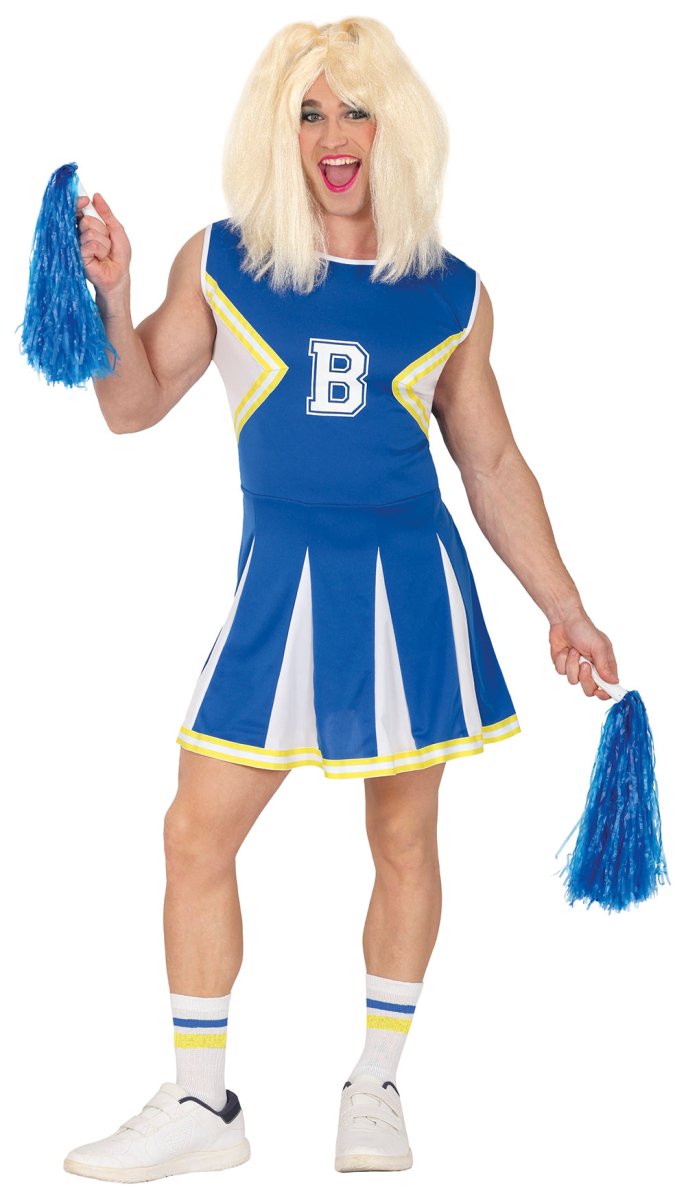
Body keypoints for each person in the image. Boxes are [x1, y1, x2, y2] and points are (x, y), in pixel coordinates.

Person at [63, 15, 619, 1183]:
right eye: (308, 112)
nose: (332, 136)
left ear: (390, 128)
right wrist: (111, 298)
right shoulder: (223, 259)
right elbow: (130, 406)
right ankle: (203, 1104)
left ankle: (374, 1085)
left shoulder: (449, 291)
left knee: (402, 837)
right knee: (193, 830)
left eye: (354, 111)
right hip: (277, 587)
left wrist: (562, 607)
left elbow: (489, 463)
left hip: (408, 589)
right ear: (277, 131)